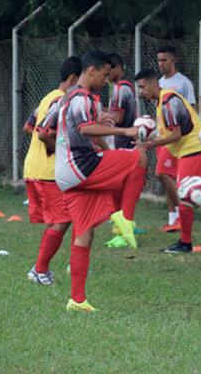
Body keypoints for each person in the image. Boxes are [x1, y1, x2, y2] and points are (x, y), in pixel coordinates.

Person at [55, 50, 146, 312]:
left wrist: (109, 153)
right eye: (105, 75)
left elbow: (85, 131)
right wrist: (123, 130)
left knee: (84, 233)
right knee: (138, 158)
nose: (107, 80)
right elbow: (86, 130)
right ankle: (125, 218)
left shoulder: (73, 97)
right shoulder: (81, 97)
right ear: (91, 70)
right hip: (80, 166)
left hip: (67, 174)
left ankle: (77, 300)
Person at [135, 68, 201, 254]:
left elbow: (176, 134)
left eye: (143, 87)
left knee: (185, 196)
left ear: (154, 84)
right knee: (170, 182)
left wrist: (150, 144)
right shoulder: (162, 101)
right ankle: (183, 235)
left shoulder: (168, 101)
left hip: (193, 149)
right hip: (185, 150)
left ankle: (185, 242)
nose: (141, 92)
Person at [23, 56, 81, 285]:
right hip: (48, 171)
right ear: (74, 78)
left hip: (34, 166)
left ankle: (40, 268)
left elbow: (29, 127)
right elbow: (42, 133)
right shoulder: (63, 100)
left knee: (58, 220)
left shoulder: (48, 96)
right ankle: (39, 270)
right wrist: (60, 147)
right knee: (63, 219)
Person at [104, 52, 147, 248]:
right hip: (125, 141)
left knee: (119, 186)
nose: (108, 73)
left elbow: (119, 118)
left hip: (126, 143)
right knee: (121, 187)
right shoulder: (120, 88)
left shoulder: (122, 89)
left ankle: (124, 228)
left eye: (110, 69)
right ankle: (125, 224)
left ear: (119, 68)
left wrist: (100, 114)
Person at [156, 45, 196, 233]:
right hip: (165, 136)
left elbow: (191, 109)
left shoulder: (183, 83)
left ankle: (181, 215)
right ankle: (172, 217)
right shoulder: (158, 82)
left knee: (171, 176)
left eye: (164, 60)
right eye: (159, 60)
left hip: (179, 138)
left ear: (173, 60)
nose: (161, 64)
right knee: (164, 175)